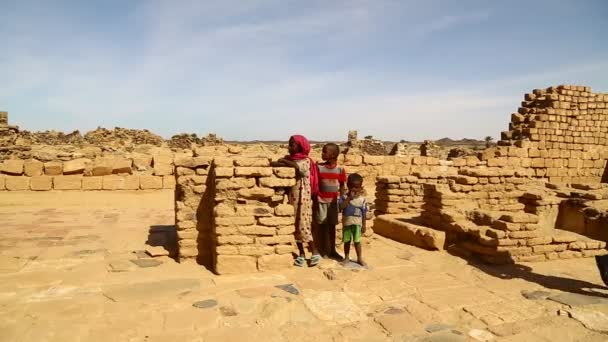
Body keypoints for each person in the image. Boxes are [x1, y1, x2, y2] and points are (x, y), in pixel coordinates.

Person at [272, 135, 321, 267]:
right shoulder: (290, 159)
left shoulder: (306, 161)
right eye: (289, 144)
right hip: (293, 197)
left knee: (303, 224)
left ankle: (314, 252)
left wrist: (284, 161)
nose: (289, 147)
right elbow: (280, 163)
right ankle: (301, 254)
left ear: (300, 146)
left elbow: (299, 169)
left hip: (303, 197)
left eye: (292, 144)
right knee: (295, 225)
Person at [316, 143, 346, 259]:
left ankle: (332, 250)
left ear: (333, 154)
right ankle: (322, 250)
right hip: (321, 201)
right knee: (322, 226)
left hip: (334, 203)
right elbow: (316, 184)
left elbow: (342, 186)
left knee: (332, 227)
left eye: (324, 152)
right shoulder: (319, 168)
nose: (322, 154)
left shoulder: (340, 170)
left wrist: (342, 201)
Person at [338, 173, 368, 266]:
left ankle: (359, 258)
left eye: (357, 187)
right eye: (353, 187)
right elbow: (341, 207)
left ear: (361, 187)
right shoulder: (343, 197)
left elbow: (363, 213)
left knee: (357, 241)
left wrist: (364, 225)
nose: (355, 190)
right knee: (347, 241)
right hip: (347, 223)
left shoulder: (362, 199)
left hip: (357, 224)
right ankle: (346, 257)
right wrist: (349, 198)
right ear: (348, 186)